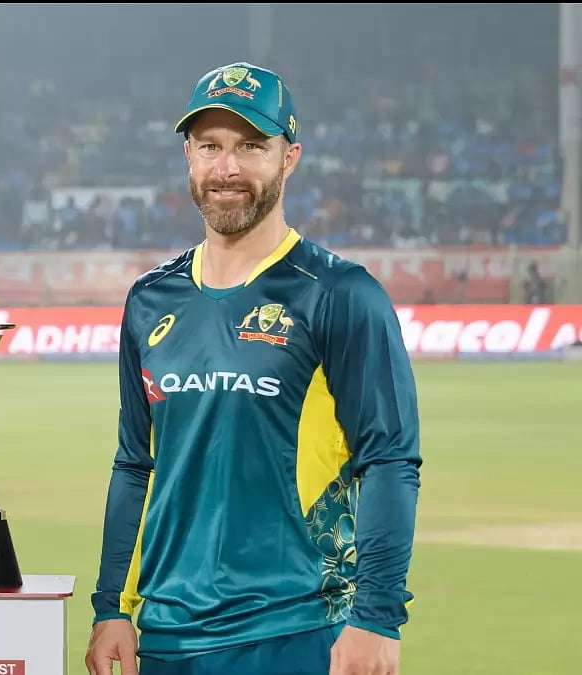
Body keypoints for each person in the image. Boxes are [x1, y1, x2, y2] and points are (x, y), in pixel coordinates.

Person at [84, 62, 422, 675]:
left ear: (289, 158)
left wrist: (376, 617)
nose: (228, 168)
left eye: (251, 147)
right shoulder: (150, 299)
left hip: (296, 627)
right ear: (188, 155)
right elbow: (135, 463)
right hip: (165, 634)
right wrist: (112, 607)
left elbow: (390, 460)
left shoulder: (340, 294)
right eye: (210, 146)